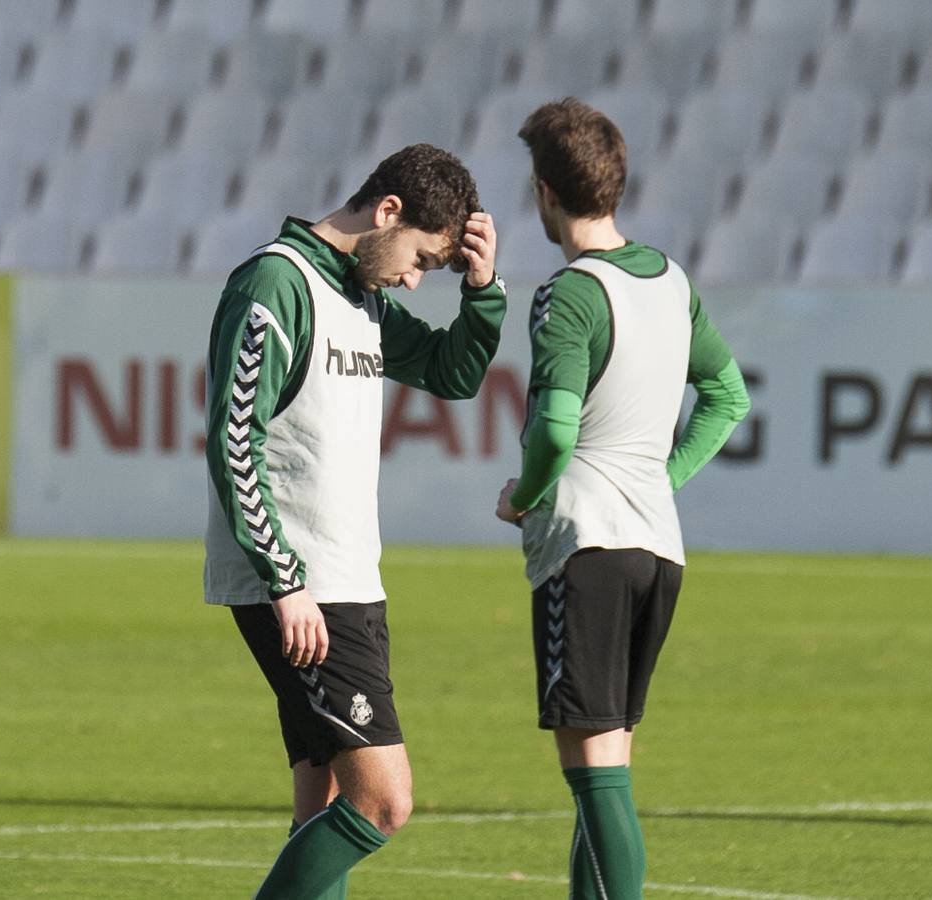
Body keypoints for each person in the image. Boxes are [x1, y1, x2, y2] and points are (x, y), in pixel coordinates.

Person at [204, 143, 504, 899]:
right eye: (420, 259)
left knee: (327, 802)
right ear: (387, 212)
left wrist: (482, 286)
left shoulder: (360, 293)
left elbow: (452, 372)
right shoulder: (278, 280)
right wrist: (286, 580)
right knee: (384, 799)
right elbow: (234, 438)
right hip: (302, 589)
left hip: (346, 581)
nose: (413, 277)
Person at [495, 99, 751, 898]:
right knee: (603, 770)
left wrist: (523, 495)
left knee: (597, 780)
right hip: (655, 550)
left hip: (588, 548)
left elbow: (557, 429)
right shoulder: (671, 280)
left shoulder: (567, 293)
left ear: (544, 191)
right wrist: (660, 481)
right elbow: (728, 396)